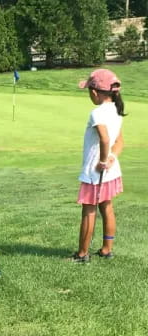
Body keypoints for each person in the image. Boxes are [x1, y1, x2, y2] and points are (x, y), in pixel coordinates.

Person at [72, 69, 126, 263]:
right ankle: (106, 249)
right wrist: (112, 157)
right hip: (111, 171)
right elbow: (119, 142)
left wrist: (103, 161)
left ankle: (82, 254)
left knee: (88, 211)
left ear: (95, 92)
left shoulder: (97, 113)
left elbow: (105, 139)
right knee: (107, 207)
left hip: (96, 172)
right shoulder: (116, 110)